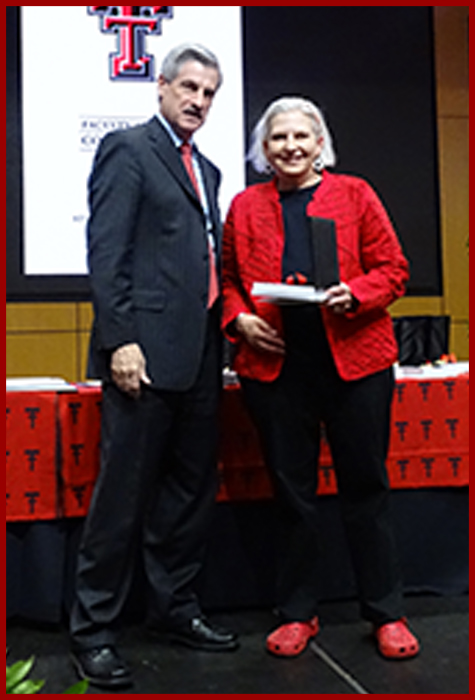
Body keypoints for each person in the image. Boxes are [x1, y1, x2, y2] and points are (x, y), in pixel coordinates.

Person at [221, 96, 420, 660]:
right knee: (293, 496)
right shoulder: (245, 205)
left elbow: (394, 270)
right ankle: (296, 613)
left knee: (367, 490)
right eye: (278, 138)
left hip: (356, 364)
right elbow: (229, 279)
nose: (290, 147)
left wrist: (357, 293)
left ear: (320, 143)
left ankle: (386, 612)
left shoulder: (355, 194)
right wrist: (238, 320)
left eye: (300, 137)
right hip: (277, 368)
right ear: (264, 148)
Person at [69, 43, 238, 690]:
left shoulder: (210, 170)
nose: (198, 100)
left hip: (199, 355)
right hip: (141, 353)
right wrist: (120, 340)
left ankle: (173, 610)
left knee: (187, 497)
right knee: (121, 500)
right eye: (188, 87)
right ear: (161, 87)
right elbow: (106, 251)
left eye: (209, 92)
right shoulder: (128, 148)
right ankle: (94, 632)